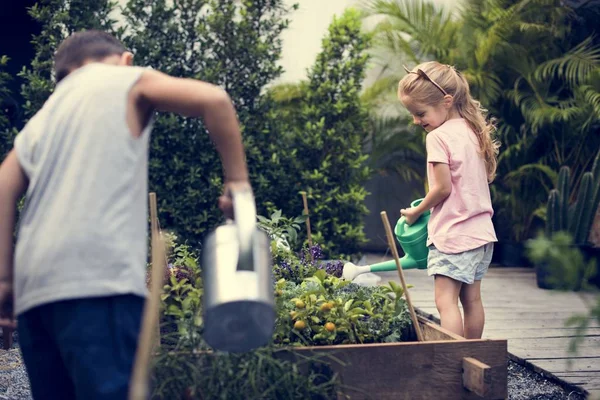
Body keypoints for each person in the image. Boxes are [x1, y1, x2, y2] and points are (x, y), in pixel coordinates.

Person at [0, 30, 251, 399]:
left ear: (61, 76)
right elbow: (214, 99)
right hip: (97, 283)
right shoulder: (125, 78)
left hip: (36, 297)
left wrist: (5, 281)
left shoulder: (44, 118)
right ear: (126, 59)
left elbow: (4, 186)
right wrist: (236, 181)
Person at [397, 61, 500, 339]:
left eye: (420, 113)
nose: (417, 121)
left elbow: (442, 188)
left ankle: (452, 362)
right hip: (482, 235)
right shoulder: (472, 130)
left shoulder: (438, 137)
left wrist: (415, 211)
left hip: (453, 236)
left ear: (446, 101)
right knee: (472, 301)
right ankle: (471, 356)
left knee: (446, 302)